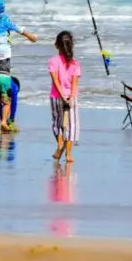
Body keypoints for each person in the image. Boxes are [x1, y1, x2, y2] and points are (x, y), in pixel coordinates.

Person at [48, 31, 81, 163]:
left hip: (56, 97)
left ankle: (60, 144)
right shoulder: (75, 63)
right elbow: (75, 84)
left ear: (57, 45)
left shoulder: (52, 61)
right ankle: (68, 154)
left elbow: (55, 81)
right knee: (72, 125)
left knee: (57, 122)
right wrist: (70, 98)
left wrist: (62, 96)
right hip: (70, 98)